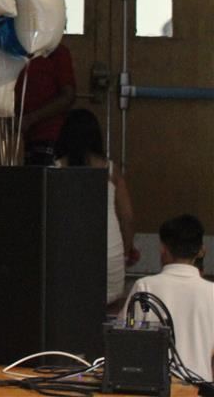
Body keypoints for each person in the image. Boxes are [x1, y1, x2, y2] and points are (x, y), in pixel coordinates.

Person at [55, 108, 136, 303]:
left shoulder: (55, 169)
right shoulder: (110, 170)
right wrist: (126, 251)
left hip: (67, 260)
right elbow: (127, 216)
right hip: (110, 256)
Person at [126, 214, 213, 382]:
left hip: (155, 386)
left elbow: (126, 341)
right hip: (201, 389)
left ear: (163, 248)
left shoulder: (145, 287)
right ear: (201, 250)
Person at [17, 41, 75, 165]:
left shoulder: (57, 53)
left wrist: (31, 118)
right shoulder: (17, 51)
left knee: (43, 179)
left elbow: (68, 96)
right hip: (28, 137)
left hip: (52, 135)